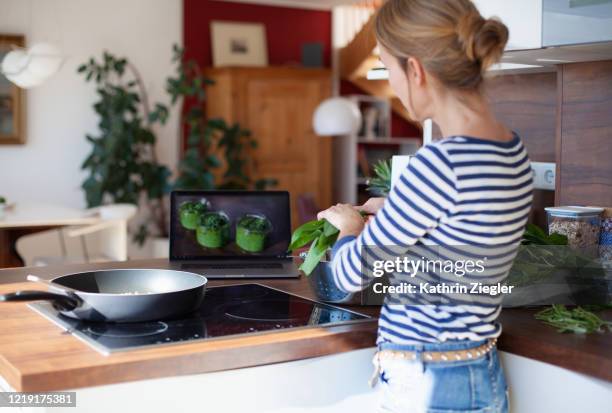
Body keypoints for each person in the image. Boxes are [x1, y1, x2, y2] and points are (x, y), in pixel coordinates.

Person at [317, 1, 534, 412]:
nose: (392, 83)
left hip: (427, 383)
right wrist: (402, 211)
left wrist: (350, 226)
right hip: (480, 374)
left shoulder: (438, 164)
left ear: (414, 70)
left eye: (387, 67)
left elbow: (349, 274)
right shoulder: (513, 151)